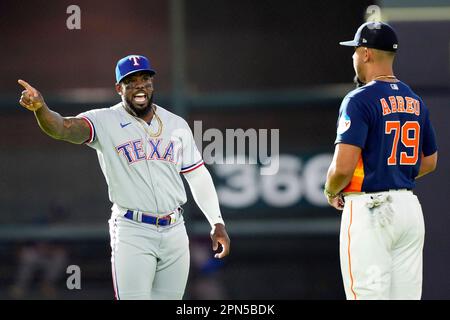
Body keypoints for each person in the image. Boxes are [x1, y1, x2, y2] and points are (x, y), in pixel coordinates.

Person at [17, 54, 230, 300]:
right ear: (119, 88)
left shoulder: (176, 124)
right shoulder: (105, 120)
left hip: (175, 230)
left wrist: (216, 221)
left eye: (146, 79)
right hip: (133, 230)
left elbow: (197, 175)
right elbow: (62, 128)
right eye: (132, 81)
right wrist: (41, 108)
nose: (140, 85)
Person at [324, 22, 438, 300]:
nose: (352, 57)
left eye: (354, 51)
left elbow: (342, 167)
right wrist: (395, 175)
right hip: (409, 209)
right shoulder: (415, 100)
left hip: (371, 211)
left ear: (365, 53)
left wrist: (330, 190)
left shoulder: (359, 99)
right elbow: (430, 161)